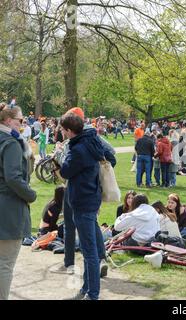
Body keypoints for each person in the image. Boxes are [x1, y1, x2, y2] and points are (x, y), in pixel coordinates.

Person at [59, 113, 106, 300]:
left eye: (63, 130)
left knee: (89, 252)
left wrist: (63, 154)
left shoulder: (78, 149)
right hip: (90, 197)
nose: (61, 132)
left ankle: (92, 294)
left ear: (69, 131)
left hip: (83, 200)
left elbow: (65, 171)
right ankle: (86, 289)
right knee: (89, 250)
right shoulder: (90, 141)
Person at [0, 105, 37, 300]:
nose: (23, 125)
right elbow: (13, 178)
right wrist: (31, 195)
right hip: (8, 210)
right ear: (8, 121)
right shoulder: (11, 143)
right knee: (5, 264)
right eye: (20, 121)